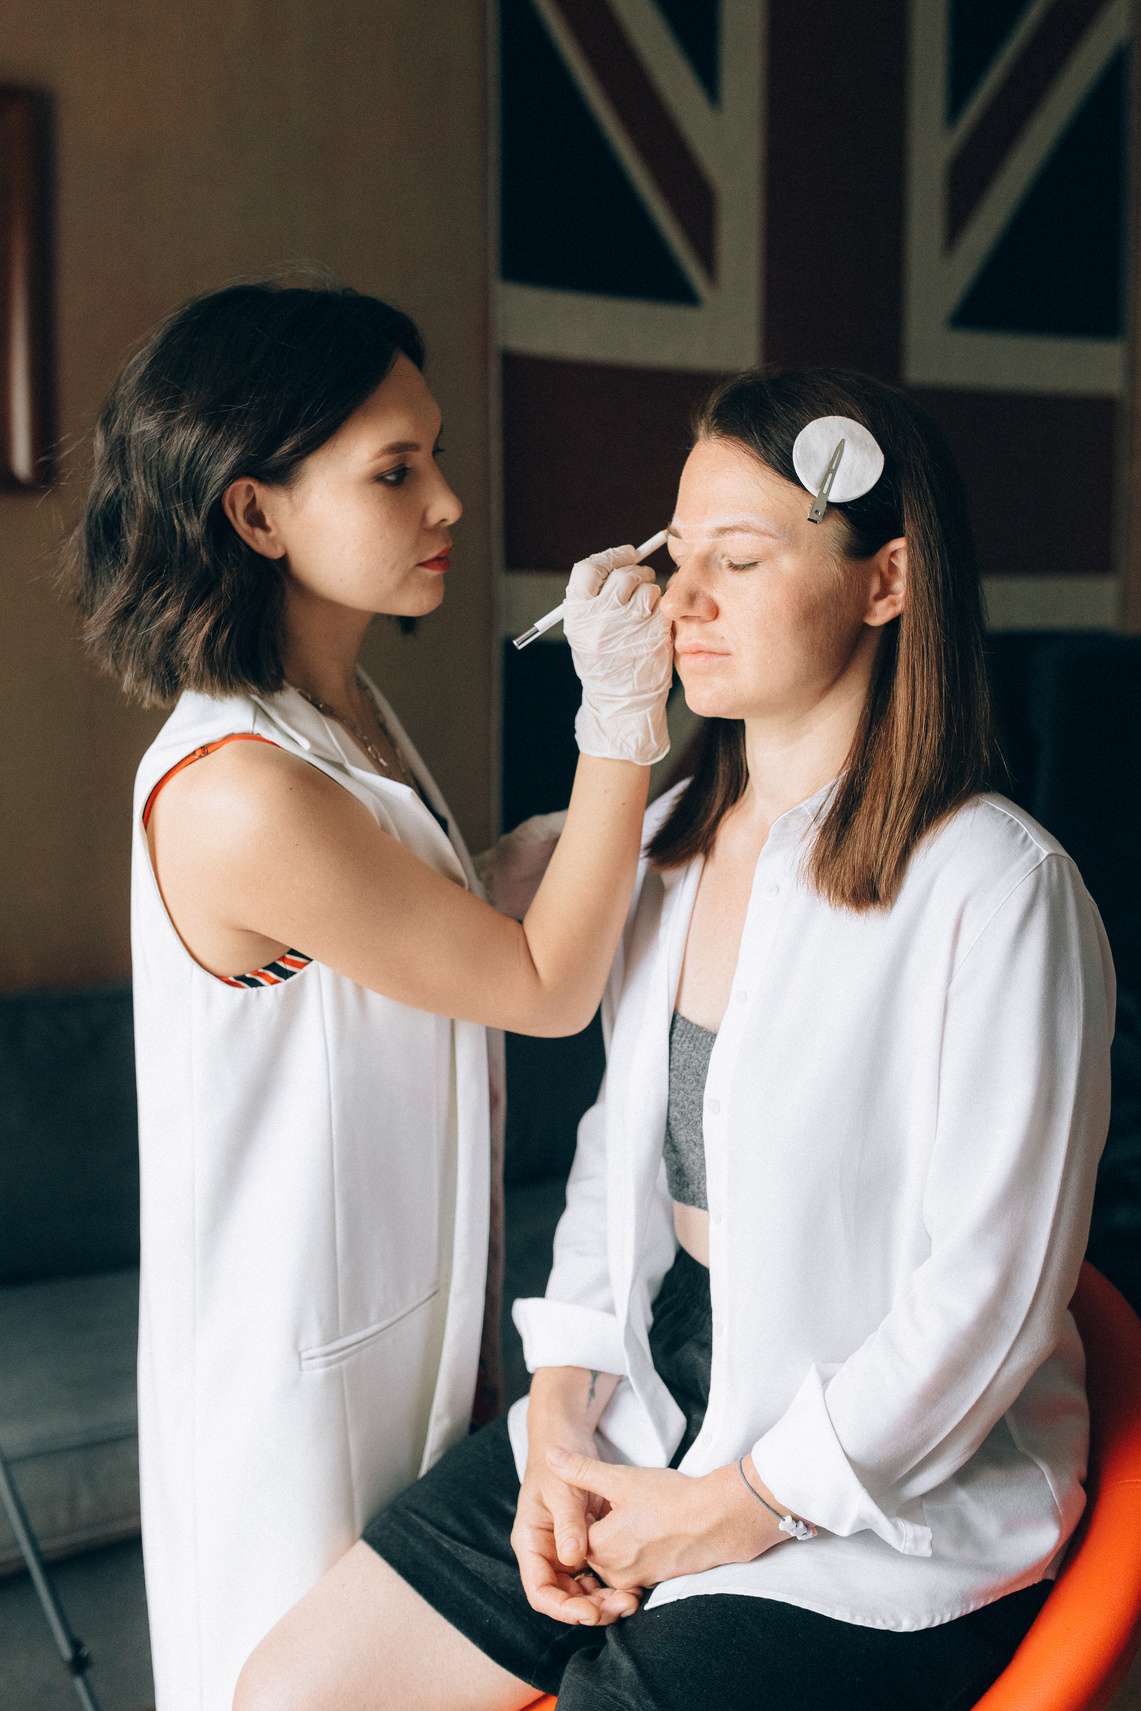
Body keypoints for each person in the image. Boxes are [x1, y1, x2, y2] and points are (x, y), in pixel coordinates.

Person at [232, 368, 1115, 1711]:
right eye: (676, 553)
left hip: (880, 1453)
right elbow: (610, 1172)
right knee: (296, 1691)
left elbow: (985, 1300)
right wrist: (564, 1415)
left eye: (741, 560)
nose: (680, 599)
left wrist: (733, 1512)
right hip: (662, 1367)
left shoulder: (998, 889)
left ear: (885, 584)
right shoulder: (663, 851)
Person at [63, 279, 674, 1711]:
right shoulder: (238, 787)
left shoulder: (336, 716)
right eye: (396, 472)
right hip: (292, 1389)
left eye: (436, 454)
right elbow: (539, 989)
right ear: (257, 512)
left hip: (408, 1322)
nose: (449, 501)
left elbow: (430, 926)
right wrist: (618, 723)